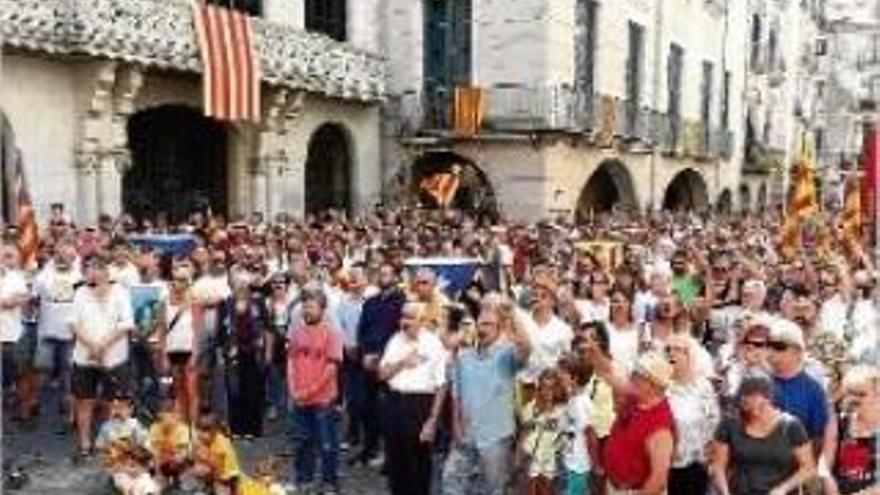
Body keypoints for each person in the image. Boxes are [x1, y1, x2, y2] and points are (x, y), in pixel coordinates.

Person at [443, 293, 531, 495]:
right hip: (466, 434)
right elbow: (456, 393)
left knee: (494, 489)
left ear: (499, 328)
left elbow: (526, 347)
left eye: (489, 325)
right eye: (481, 324)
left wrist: (512, 315)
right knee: (451, 484)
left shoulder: (506, 353)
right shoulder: (464, 356)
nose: (483, 329)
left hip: (496, 436)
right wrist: (455, 424)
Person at [378, 301, 448, 495]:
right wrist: (402, 363)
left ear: (422, 321)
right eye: (403, 316)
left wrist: (432, 421)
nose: (404, 321)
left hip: (419, 405)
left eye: (410, 317)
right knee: (395, 461)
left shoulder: (433, 344)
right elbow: (382, 374)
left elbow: (442, 385)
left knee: (418, 463)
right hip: (394, 402)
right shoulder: (395, 340)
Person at [71, 253, 135, 458]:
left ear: (106, 270)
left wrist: (102, 346)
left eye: (96, 267)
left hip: (114, 357)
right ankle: (84, 443)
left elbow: (126, 323)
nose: (91, 271)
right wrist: (92, 346)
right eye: (89, 267)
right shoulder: (80, 292)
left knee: (111, 402)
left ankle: (107, 442)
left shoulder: (120, 292)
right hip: (84, 356)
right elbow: (74, 324)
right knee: (84, 401)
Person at [711, 371, 816, 495]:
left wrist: (783, 489)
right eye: (747, 402)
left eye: (761, 405)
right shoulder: (729, 424)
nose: (755, 411)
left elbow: (808, 467)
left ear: (769, 399)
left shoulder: (791, 426)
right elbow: (718, 466)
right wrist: (725, 492)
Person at [592, 350, 675, 495]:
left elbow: (658, 479)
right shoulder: (637, 397)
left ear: (652, 385)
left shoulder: (660, 427)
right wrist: (595, 355)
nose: (632, 378)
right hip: (615, 487)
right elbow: (609, 375)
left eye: (637, 376)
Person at [287, 286, 343, 493]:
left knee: (327, 443)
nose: (307, 311)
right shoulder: (297, 331)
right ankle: (304, 478)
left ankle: (330, 482)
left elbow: (331, 368)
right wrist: (293, 388)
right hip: (299, 397)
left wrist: (309, 391)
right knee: (302, 440)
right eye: (304, 307)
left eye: (311, 307)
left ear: (322, 309)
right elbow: (291, 361)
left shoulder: (332, 333)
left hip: (323, 399)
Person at [356, 262, 406, 466]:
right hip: (368, 363)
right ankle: (368, 449)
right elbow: (362, 330)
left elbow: (400, 334)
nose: (383, 277)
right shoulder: (371, 302)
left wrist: (381, 357)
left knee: (389, 412)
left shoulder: (402, 303)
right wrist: (366, 353)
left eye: (387, 273)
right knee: (366, 408)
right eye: (380, 273)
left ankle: (391, 457)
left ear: (396, 277)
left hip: (390, 366)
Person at [767, 318, 834, 460]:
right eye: (769, 345)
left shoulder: (814, 391)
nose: (771, 351)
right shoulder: (758, 383)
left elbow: (817, 439)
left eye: (779, 346)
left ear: (797, 351)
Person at [33, 241, 82, 430]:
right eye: (59, 255)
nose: (63, 259)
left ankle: (70, 414)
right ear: (54, 256)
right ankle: (34, 404)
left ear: (73, 257)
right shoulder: (42, 277)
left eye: (67, 256)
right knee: (41, 371)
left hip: (70, 335)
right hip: (47, 333)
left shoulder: (80, 277)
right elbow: (34, 300)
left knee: (69, 375)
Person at [664, 333, 720, 493]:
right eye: (667, 349)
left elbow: (713, 421)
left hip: (696, 464)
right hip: (665, 464)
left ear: (690, 355)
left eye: (677, 349)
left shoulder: (703, 387)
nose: (671, 353)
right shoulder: (660, 387)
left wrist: (710, 456)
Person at [218, 278, 268, 438]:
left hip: (254, 352)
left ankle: (253, 429)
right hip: (233, 354)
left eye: (244, 285)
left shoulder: (257, 302)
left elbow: (267, 327)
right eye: (237, 284)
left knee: (253, 391)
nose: (241, 287)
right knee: (234, 391)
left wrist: (268, 352)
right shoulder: (226, 304)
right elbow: (220, 331)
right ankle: (237, 429)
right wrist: (221, 353)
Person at [826, 365, 880, 495]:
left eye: (861, 394)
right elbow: (825, 463)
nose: (853, 398)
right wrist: (828, 483)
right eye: (850, 392)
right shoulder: (838, 422)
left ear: (878, 395)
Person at [160, 264, 202, 422]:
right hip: (172, 350)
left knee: (192, 391)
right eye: (176, 279)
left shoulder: (195, 303)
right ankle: (182, 426)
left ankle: (193, 427)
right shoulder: (165, 302)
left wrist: (195, 355)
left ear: (188, 282)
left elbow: (198, 331)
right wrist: (164, 355)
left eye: (183, 280)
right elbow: (162, 331)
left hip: (189, 350)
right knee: (177, 390)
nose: (178, 283)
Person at [0, 244, 36, 421]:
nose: (3, 259)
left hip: (14, 335)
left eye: (6, 256)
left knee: (22, 375)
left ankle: (25, 413)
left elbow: (26, 297)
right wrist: (5, 301)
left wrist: (14, 300)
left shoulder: (15, 277)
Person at [519, 368, 568, 495]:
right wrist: (519, 453)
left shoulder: (562, 409)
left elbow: (565, 433)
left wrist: (561, 449)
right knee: (531, 488)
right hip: (532, 455)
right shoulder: (531, 407)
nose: (548, 392)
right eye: (545, 387)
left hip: (550, 457)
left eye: (552, 387)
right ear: (539, 388)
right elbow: (524, 431)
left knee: (547, 489)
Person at [148, 398, 191, 491]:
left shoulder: (183, 428)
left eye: (178, 414)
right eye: (171, 414)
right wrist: (158, 473)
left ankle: (178, 478)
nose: (177, 417)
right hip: (160, 461)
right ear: (160, 415)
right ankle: (162, 480)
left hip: (176, 461)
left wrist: (173, 458)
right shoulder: (154, 428)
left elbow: (182, 453)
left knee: (180, 459)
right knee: (150, 462)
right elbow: (155, 452)